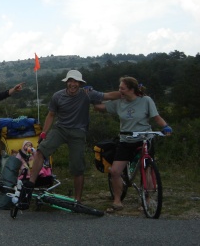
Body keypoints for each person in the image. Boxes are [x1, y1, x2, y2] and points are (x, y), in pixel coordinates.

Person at [21, 70, 121, 207]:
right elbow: (51, 115)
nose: (73, 84)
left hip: (78, 132)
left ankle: (77, 201)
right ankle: (30, 185)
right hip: (60, 129)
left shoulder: (87, 93)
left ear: (80, 83)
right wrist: (44, 133)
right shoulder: (58, 96)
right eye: (71, 81)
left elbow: (108, 95)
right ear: (67, 82)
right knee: (40, 151)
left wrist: (129, 93)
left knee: (77, 167)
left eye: (76, 82)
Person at [93, 76, 172, 213]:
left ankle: (146, 200)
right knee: (115, 171)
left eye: (122, 88)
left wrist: (166, 127)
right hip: (126, 140)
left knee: (147, 169)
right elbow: (99, 107)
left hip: (144, 138)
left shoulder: (146, 100)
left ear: (131, 89)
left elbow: (156, 117)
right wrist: (93, 96)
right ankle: (117, 200)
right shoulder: (119, 102)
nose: (120, 91)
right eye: (119, 88)